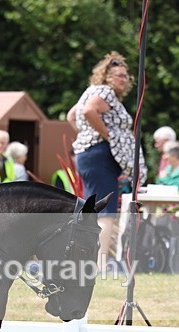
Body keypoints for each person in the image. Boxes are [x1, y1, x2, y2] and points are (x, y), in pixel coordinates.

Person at [67, 51, 146, 271]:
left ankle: (85, 260)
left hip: (86, 155)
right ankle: (100, 263)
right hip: (100, 155)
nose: (124, 79)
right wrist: (108, 137)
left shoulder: (91, 91)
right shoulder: (105, 92)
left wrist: (85, 137)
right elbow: (89, 111)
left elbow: (71, 116)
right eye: (119, 75)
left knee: (89, 208)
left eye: (126, 76)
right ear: (107, 77)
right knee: (106, 210)